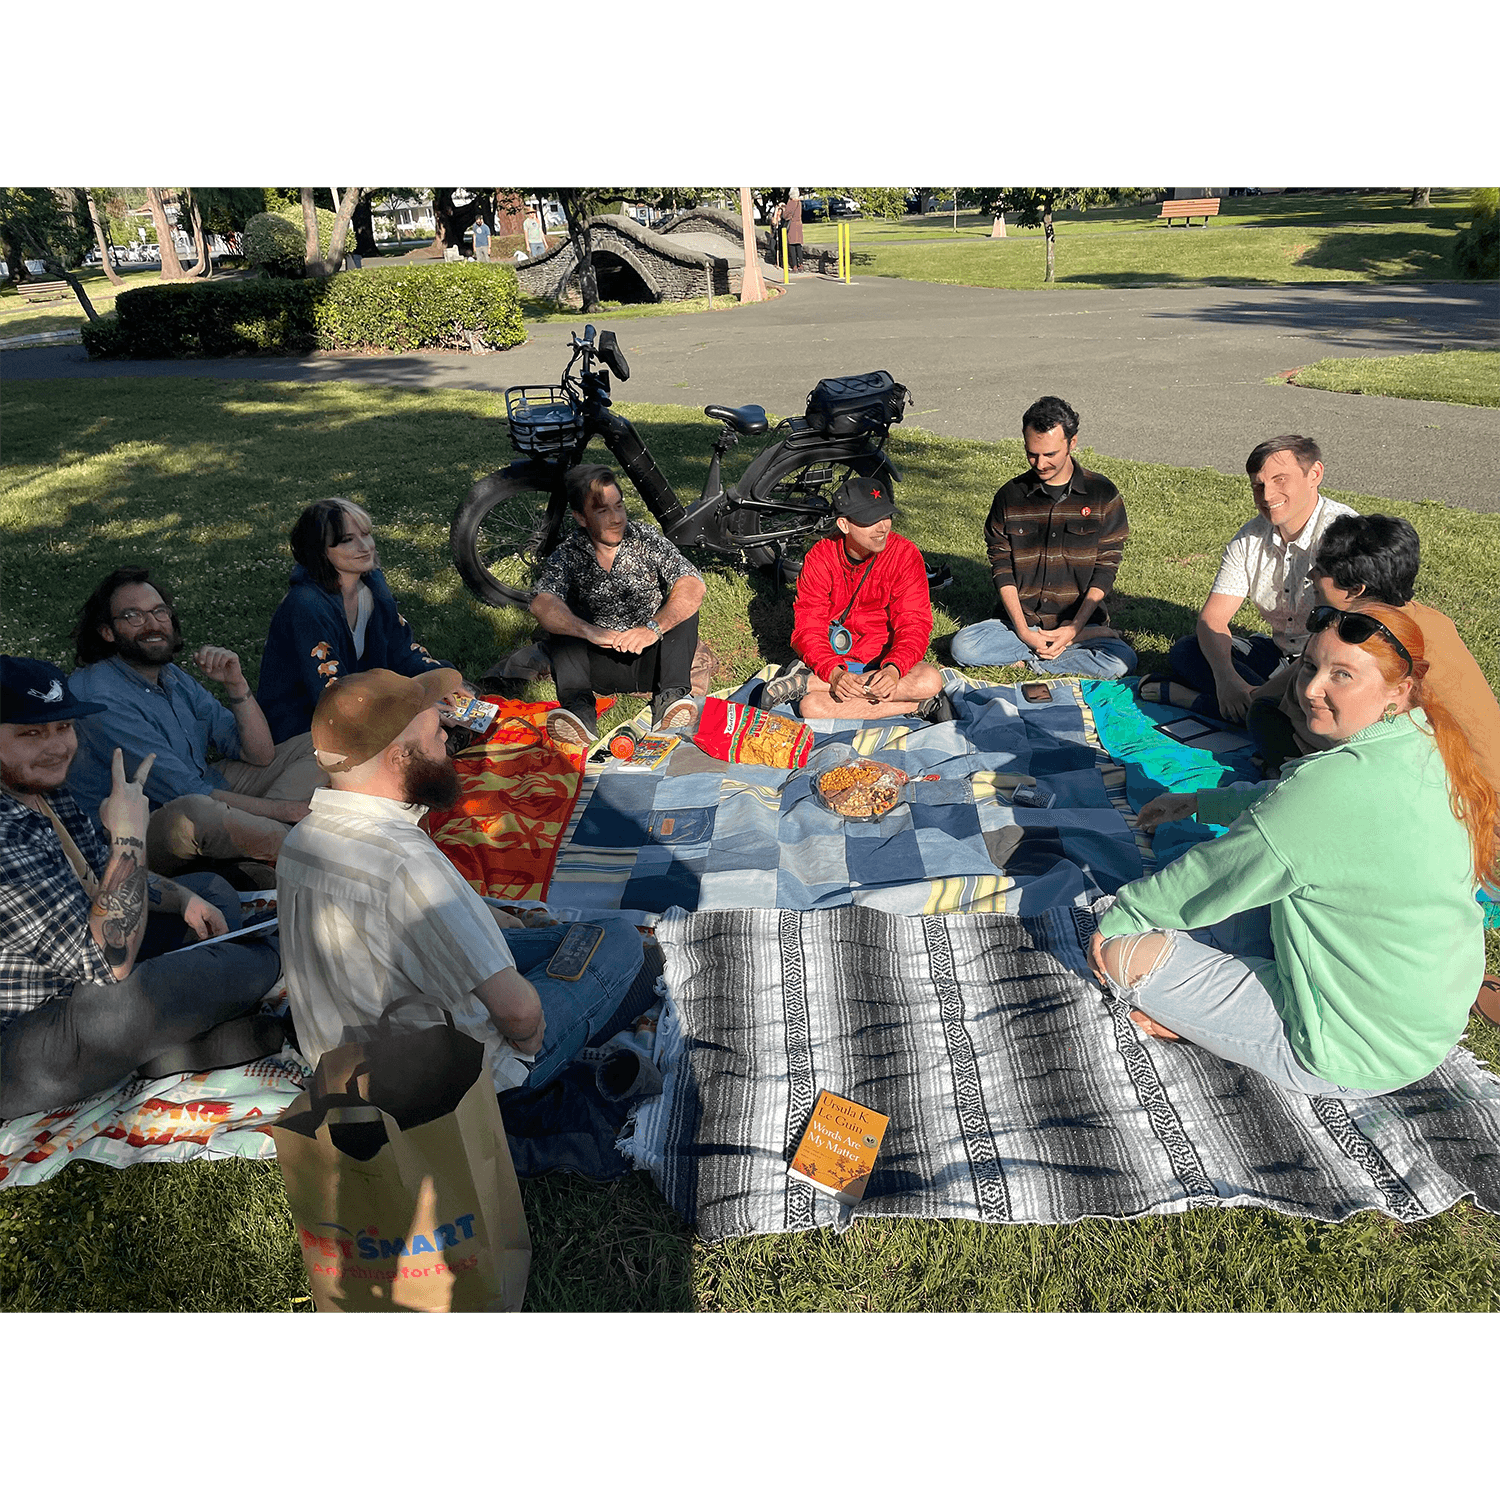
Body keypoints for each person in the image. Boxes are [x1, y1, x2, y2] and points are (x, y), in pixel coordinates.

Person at [1090, 603, 1494, 1098]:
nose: (1311, 689)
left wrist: (1121, 916)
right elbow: (1287, 805)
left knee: (1123, 953)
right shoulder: (1424, 742)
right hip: (1419, 1026)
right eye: (1309, 666)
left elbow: (1213, 873)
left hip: (1345, 1052)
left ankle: (1204, 1027)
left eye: (1341, 674)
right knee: (1237, 905)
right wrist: (1201, 802)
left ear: (1399, 689)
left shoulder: (1334, 786)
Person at [275, 667, 650, 1093]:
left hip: (346, 1068)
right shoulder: (407, 863)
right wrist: (527, 1042)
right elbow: (520, 1014)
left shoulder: (299, 842)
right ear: (400, 758)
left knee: (547, 938)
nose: (446, 739)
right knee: (619, 940)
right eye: (436, 733)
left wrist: (484, 919)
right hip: (459, 1092)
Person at [0, 656, 280, 1120]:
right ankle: (264, 962)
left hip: (86, 977)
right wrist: (129, 835)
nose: (55, 747)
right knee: (199, 975)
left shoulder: (43, 793)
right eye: (30, 734)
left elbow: (105, 878)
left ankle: (167, 1047)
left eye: (63, 727)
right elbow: (106, 963)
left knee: (209, 892)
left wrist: (183, 899)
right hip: (28, 1040)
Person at [67, 567, 326, 875]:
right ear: (107, 632)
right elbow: (184, 791)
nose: (153, 624)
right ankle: (305, 849)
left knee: (319, 747)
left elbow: (259, 754)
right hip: (135, 832)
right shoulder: (99, 697)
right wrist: (288, 811)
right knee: (196, 814)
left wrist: (236, 685)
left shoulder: (170, 676)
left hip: (206, 789)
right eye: (133, 616)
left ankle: (253, 845)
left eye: (159, 612)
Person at [1248, 513, 1500, 781]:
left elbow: (1302, 701)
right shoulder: (1426, 618)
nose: (1310, 575)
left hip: (1456, 782)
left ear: (1355, 590)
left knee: (1266, 716)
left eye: (1320, 570)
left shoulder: (1372, 637)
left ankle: (1300, 771)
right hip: (1478, 775)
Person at [1145, 435, 1356, 721]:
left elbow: (1350, 634)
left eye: (1280, 480)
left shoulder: (1343, 536)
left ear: (1314, 474)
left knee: (1310, 709)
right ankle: (1260, 709)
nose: (1267, 496)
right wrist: (1226, 679)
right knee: (1188, 650)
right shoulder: (1250, 538)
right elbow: (1212, 619)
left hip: (1326, 663)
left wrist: (1255, 690)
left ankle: (1201, 702)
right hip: (1278, 653)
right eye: (1258, 485)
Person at [950, 396, 1136, 679]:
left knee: (1122, 661)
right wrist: (1024, 631)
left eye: (1050, 454)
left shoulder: (1103, 494)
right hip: (1019, 624)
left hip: (1079, 624)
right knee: (963, 647)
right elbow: (1001, 567)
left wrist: (1074, 629)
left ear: (1072, 443)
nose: (1040, 464)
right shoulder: (1009, 496)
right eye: (1032, 454)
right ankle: (1056, 652)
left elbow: (1106, 568)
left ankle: (1045, 652)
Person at [256, 497, 461, 745]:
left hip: (359, 705)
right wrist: (413, 708)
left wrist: (440, 679)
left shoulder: (372, 587)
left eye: (366, 534)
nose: (365, 547)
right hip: (303, 726)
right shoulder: (306, 606)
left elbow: (401, 649)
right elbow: (333, 696)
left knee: (452, 705)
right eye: (347, 540)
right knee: (423, 731)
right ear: (319, 551)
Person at [531, 464, 705, 747]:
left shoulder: (645, 538)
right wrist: (589, 631)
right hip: (596, 665)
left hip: (653, 659)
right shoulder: (568, 553)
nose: (616, 519)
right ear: (581, 517)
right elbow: (542, 603)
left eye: (619, 506)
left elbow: (693, 584)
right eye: (602, 511)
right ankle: (580, 713)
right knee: (560, 618)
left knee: (683, 606)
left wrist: (652, 629)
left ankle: (671, 699)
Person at [763, 475, 950, 722]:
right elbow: (808, 627)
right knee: (811, 708)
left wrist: (894, 669)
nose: (883, 527)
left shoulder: (905, 555)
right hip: (835, 660)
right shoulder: (821, 557)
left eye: (886, 516)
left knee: (930, 680)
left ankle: (808, 683)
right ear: (844, 524)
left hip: (885, 661)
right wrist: (834, 673)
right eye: (870, 520)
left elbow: (914, 623)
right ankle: (916, 705)